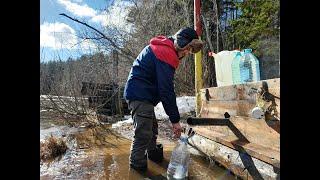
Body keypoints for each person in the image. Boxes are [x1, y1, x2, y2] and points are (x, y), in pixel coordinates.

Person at [123, 27, 203, 172]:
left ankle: (153, 157)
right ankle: (137, 169)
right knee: (143, 134)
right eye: (187, 49)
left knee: (152, 130)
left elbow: (164, 88)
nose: (186, 53)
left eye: (190, 52)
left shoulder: (165, 48)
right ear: (181, 42)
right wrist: (175, 121)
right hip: (140, 95)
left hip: (142, 95)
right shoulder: (166, 53)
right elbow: (166, 90)